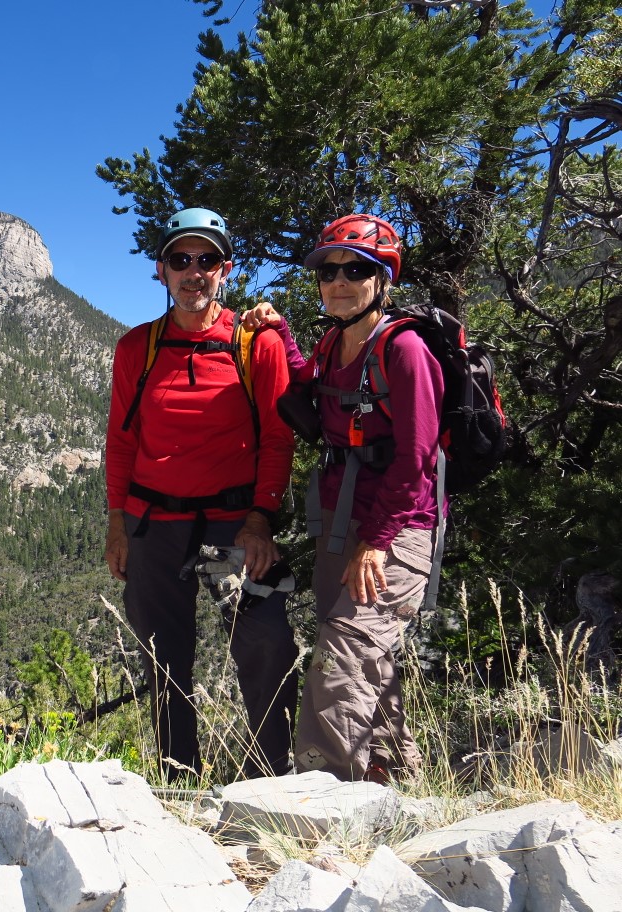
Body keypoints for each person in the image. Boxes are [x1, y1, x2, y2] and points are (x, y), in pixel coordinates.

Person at [105, 207, 300, 781]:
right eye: (180, 260)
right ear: (161, 271)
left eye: (206, 260)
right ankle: (178, 780)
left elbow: (277, 437)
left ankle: (271, 778)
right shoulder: (135, 349)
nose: (194, 272)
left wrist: (261, 518)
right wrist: (117, 528)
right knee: (165, 658)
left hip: (234, 523)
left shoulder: (253, 344)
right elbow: (121, 443)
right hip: (152, 525)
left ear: (226, 270)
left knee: (266, 644)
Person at [244, 214, 441, 783]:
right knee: (368, 662)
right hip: (340, 522)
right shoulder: (335, 342)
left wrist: (376, 543)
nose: (339, 281)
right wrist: (281, 334)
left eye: (356, 270)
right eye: (329, 271)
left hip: (393, 532)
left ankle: (318, 805)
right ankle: (396, 784)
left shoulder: (404, 350)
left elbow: (416, 458)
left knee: (341, 662)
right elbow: (315, 383)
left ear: (383, 279)